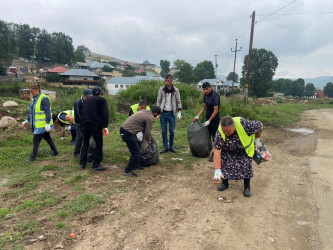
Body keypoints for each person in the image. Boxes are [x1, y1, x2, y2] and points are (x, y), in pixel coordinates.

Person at [213, 115, 263, 197]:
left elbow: (260, 125)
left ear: (234, 126)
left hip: (244, 150)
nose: (226, 133)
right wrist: (217, 170)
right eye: (224, 131)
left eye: (228, 131)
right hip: (227, 151)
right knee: (224, 164)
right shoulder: (220, 132)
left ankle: (247, 187)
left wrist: (257, 140)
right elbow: (217, 152)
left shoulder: (245, 124)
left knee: (246, 167)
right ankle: (225, 183)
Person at [120, 106, 161, 177]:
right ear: (155, 113)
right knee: (136, 152)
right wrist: (149, 140)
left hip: (127, 130)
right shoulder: (150, 117)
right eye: (157, 115)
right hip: (128, 132)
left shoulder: (145, 111)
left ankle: (135, 165)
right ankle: (127, 170)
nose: (156, 116)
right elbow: (148, 132)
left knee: (138, 147)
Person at [22, 84, 58, 161]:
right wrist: (27, 120)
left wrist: (48, 123)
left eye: (32, 91)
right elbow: (33, 113)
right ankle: (55, 151)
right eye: (30, 92)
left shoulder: (44, 99)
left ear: (37, 90)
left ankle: (33, 157)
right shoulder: (35, 99)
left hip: (42, 125)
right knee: (48, 138)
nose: (31, 93)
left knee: (36, 140)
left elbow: (47, 112)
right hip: (38, 124)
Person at [79, 87, 109, 171]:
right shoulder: (101, 100)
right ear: (100, 94)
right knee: (99, 144)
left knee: (85, 144)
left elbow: (82, 113)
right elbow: (105, 114)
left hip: (85, 125)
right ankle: (96, 165)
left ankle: (82, 163)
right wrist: (105, 126)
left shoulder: (87, 100)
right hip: (95, 125)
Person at [193, 82, 220, 162]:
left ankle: (214, 155)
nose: (205, 91)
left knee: (215, 138)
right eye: (204, 89)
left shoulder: (215, 96)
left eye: (206, 89)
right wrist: (197, 116)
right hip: (207, 118)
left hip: (214, 119)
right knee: (207, 136)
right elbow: (204, 108)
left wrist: (209, 121)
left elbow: (216, 111)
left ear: (210, 87)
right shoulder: (205, 96)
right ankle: (207, 151)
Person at [156, 74, 182, 153]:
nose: (167, 82)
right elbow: (158, 101)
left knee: (172, 131)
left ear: (171, 81)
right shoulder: (162, 89)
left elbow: (179, 101)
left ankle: (171, 146)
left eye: (168, 81)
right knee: (164, 131)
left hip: (172, 113)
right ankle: (165, 147)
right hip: (163, 113)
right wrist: (157, 112)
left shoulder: (176, 90)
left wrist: (179, 111)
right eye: (166, 80)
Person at [74, 89, 92, 158]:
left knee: (86, 138)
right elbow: (79, 114)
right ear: (84, 95)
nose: (89, 98)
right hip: (79, 123)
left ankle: (87, 152)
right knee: (80, 137)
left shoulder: (89, 101)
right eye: (88, 97)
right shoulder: (78, 102)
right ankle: (76, 153)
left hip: (86, 122)